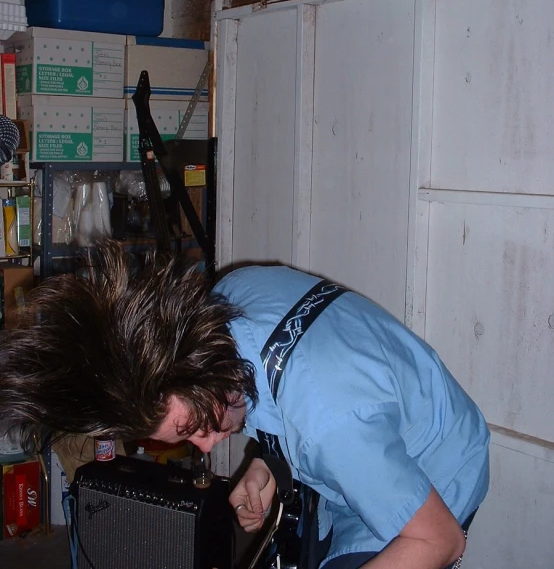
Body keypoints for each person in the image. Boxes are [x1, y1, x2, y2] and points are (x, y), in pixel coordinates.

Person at [0, 242, 489, 569]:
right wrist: (266, 466)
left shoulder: (330, 422)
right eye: (188, 436)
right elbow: (281, 394)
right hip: (367, 427)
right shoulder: (227, 299)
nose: (209, 445)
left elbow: (441, 539)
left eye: (196, 426)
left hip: (436, 480)